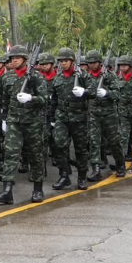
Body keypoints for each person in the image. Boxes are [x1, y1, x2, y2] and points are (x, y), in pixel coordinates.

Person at [0, 45, 47, 205]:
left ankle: (38, 189)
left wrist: (31, 98)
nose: (13, 60)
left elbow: (45, 99)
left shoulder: (36, 77)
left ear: (24, 59)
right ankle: (7, 191)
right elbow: (5, 100)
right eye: (11, 58)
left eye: (17, 58)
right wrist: (4, 119)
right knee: (10, 154)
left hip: (33, 123)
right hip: (14, 121)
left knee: (35, 155)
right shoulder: (7, 77)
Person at [48, 48, 90, 191]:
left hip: (79, 117)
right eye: (61, 61)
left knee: (80, 148)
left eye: (65, 61)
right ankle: (64, 175)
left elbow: (94, 92)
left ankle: (82, 177)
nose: (63, 63)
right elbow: (54, 100)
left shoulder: (83, 76)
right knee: (59, 145)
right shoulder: (58, 77)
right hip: (62, 117)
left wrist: (84, 92)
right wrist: (52, 117)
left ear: (72, 61)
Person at [83, 50, 126, 180]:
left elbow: (118, 94)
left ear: (99, 63)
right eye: (89, 63)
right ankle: (96, 169)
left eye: (94, 63)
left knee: (114, 141)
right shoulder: (85, 77)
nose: (91, 65)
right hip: (94, 114)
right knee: (94, 142)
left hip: (109, 114)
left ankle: (120, 164)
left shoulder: (110, 76)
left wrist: (107, 93)